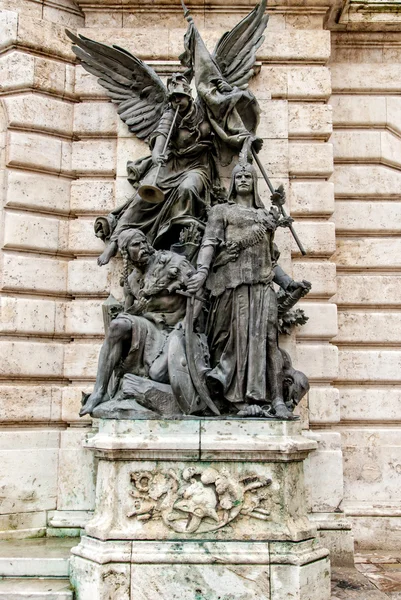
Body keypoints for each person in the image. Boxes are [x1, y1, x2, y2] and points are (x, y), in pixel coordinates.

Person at [187, 155, 306, 419]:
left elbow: (270, 258)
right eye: (238, 176)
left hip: (263, 287)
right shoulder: (222, 212)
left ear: (254, 183)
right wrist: (203, 270)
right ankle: (238, 401)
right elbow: (209, 243)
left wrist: (287, 282)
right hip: (233, 287)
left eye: (247, 177)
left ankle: (276, 401)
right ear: (233, 183)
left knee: (269, 343)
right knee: (236, 343)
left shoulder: (266, 216)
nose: (242, 179)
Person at [80, 229, 194, 416]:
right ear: (126, 253)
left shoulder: (173, 263)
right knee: (117, 326)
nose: (143, 247)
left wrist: (189, 323)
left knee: (158, 374)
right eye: (135, 245)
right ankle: (99, 391)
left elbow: (199, 295)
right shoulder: (132, 280)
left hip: (177, 327)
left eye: (143, 242)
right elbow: (127, 314)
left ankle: (142, 390)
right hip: (150, 328)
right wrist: (138, 309)